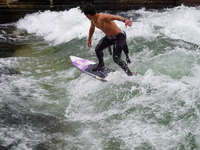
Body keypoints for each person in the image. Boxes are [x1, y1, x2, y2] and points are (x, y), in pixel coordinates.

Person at [82, 4, 133, 76]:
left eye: (86, 15)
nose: (86, 17)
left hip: (119, 37)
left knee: (116, 58)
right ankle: (101, 64)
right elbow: (92, 28)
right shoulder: (93, 20)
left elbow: (114, 17)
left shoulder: (102, 17)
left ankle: (129, 73)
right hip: (109, 38)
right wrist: (89, 39)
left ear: (88, 15)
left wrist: (124, 20)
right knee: (97, 49)